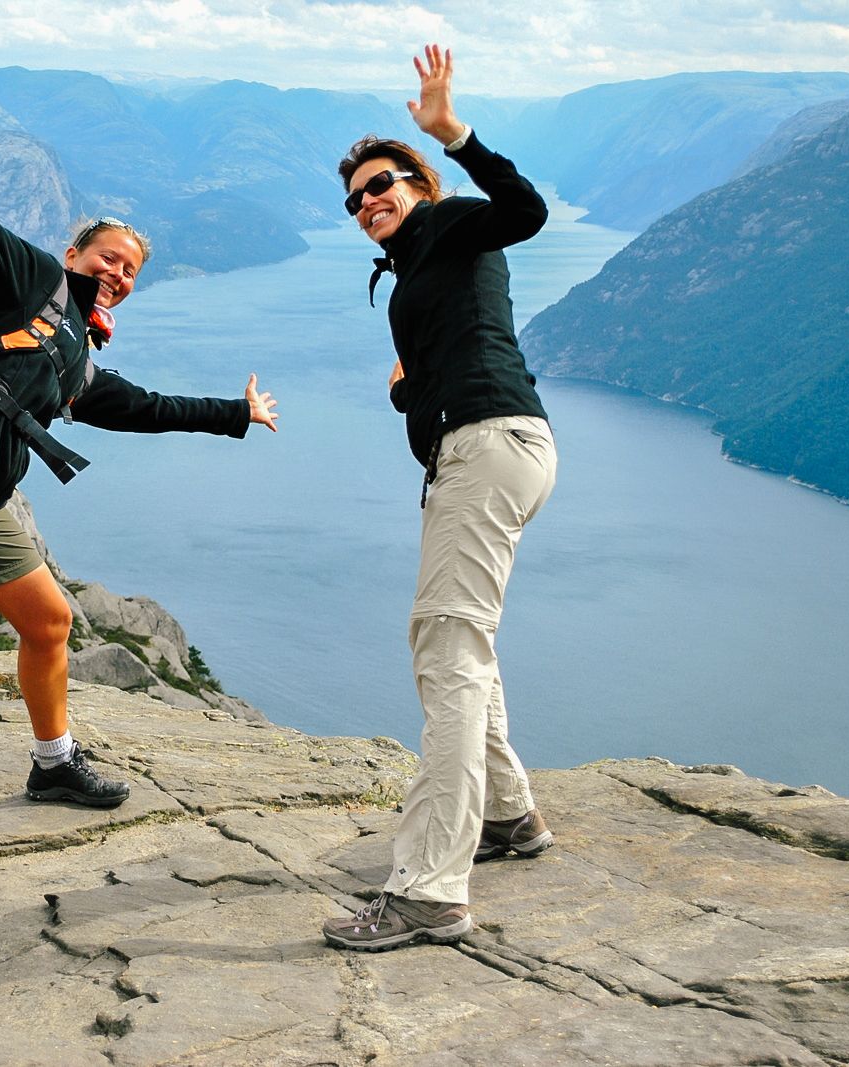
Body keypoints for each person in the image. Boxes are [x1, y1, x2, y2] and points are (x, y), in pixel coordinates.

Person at [0, 67, 279, 901]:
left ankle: (53, 762)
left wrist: (235, 415)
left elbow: (140, 406)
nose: (120, 273)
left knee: (50, 618)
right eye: (110, 257)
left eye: (132, 269)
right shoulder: (29, 279)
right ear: (75, 256)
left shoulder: (71, 354)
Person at [322, 45, 556, 951]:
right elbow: (436, 372)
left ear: (415, 182)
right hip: (497, 446)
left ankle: (430, 890)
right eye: (354, 200)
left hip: (488, 447)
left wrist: (453, 132)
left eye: (379, 185)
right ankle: (509, 817)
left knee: (445, 653)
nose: (367, 203)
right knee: (466, 641)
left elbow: (526, 212)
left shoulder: (454, 221)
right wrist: (406, 387)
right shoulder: (420, 261)